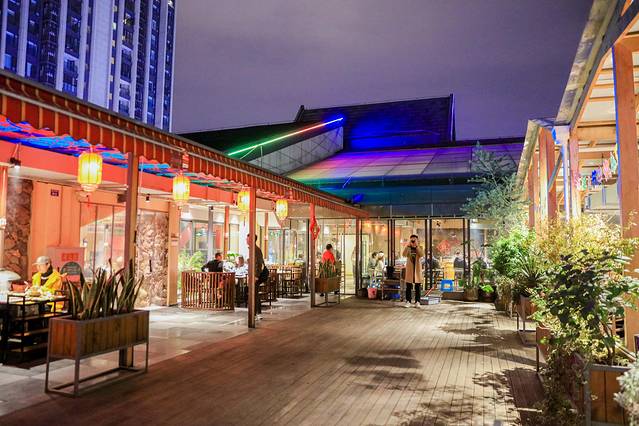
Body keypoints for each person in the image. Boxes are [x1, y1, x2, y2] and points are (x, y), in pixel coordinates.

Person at [246, 234, 266, 320]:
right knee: (253, 294)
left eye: (247, 239)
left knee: (254, 295)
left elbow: (260, 263)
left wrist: (256, 276)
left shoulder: (256, 250)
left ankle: (256, 313)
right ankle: (255, 313)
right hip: (252, 275)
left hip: (255, 276)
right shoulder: (252, 249)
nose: (246, 240)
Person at [403, 235, 424, 308]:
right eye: (412, 240)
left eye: (414, 240)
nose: (413, 241)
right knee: (408, 286)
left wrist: (417, 246)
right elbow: (404, 254)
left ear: (417, 240)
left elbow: (421, 254)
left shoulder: (420, 247)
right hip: (410, 270)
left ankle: (417, 301)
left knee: (418, 287)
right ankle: (408, 301)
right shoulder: (408, 248)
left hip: (417, 270)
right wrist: (408, 246)